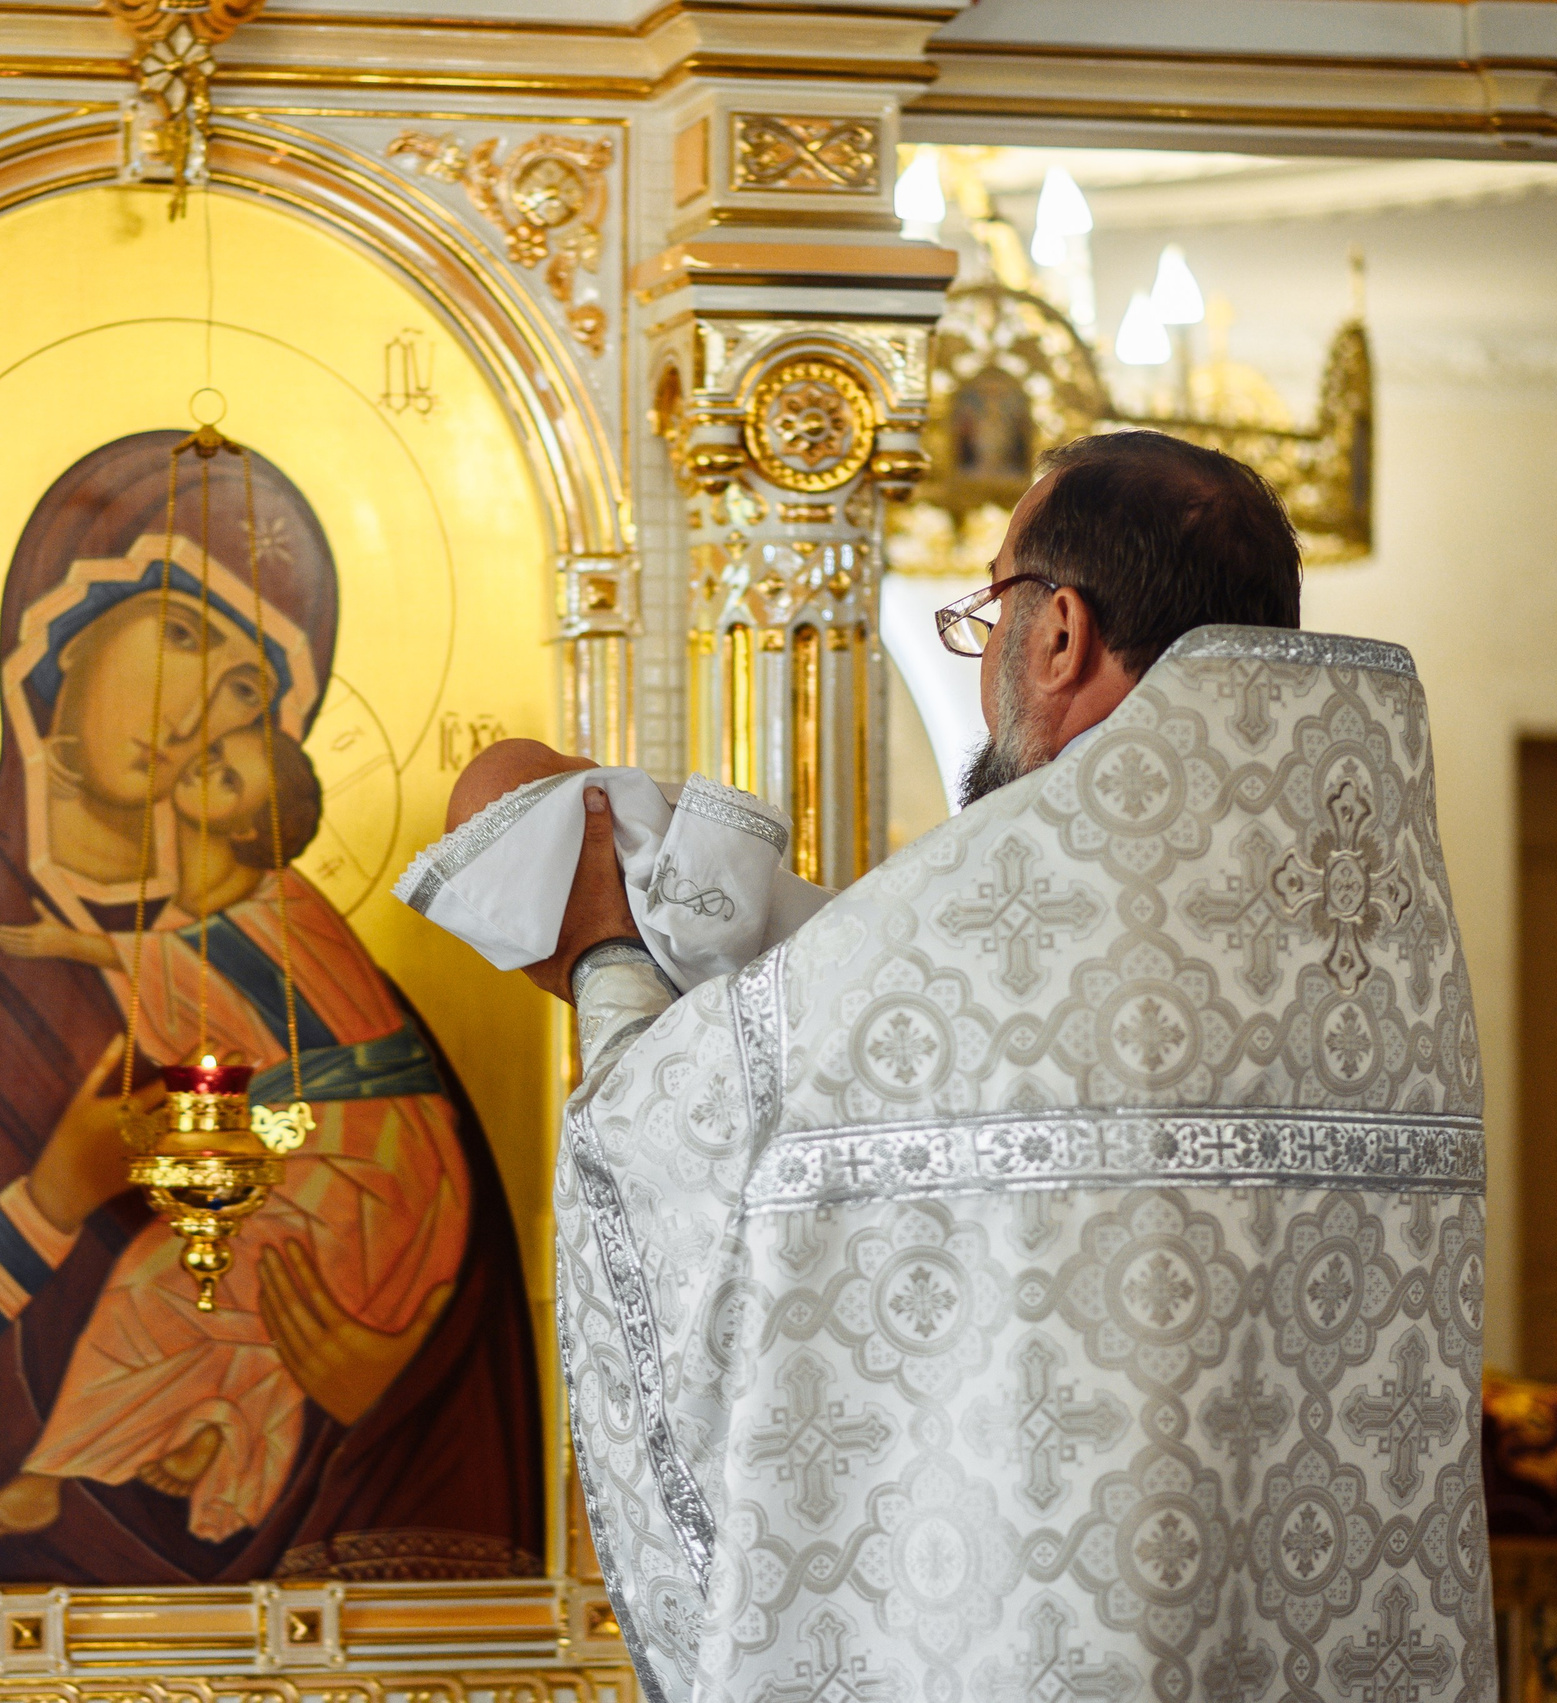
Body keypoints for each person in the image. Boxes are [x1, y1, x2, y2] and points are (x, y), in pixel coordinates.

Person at [509, 431, 1489, 1703]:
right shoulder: (1381, 917)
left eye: (988, 616)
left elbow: (658, 1143)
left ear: (1061, 630)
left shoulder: (979, 909)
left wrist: (603, 951)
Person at [0, 432, 541, 1591]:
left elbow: (448, 1254)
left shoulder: (305, 954)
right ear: (55, 632)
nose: (199, 706)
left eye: (248, 685)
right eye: (181, 631)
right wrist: (49, 1204)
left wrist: (384, 1376)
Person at [0, 724, 471, 1546]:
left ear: (246, 827)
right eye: (217, 752)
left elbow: (203, 964)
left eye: (230, 776)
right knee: (243, 1283)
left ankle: (51, 1472)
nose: (207, 762)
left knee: (167, 1274)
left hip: (374, 1151)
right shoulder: (204, 916)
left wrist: (76, 944)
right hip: (313, 1138)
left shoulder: (286, 907)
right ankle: (218, 1422)